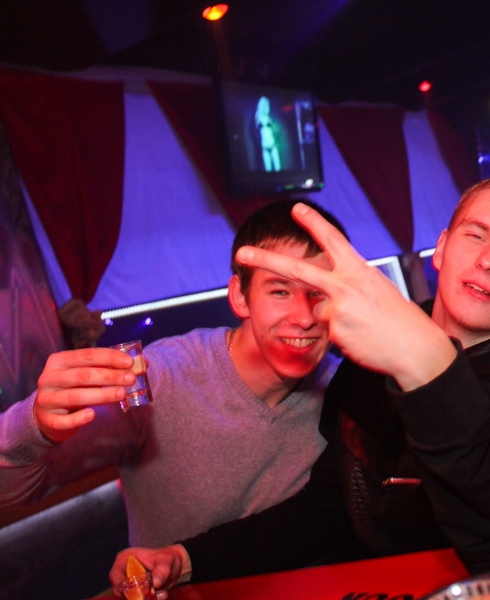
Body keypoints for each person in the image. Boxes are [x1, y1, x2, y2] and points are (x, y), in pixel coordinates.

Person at [109, 175, 490, 594]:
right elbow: (325, 512)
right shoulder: (364, 361)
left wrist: (428, 364)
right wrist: (185, 558)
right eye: (476, 235)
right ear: (442, 248)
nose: (489, 260)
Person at [0, 200, 342, 547]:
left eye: (320, 293)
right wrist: (34, 427)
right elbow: (9, 494)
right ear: (240, 297)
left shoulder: (347, 389)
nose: (304, 317)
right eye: (280, 291)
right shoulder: (161, 379)